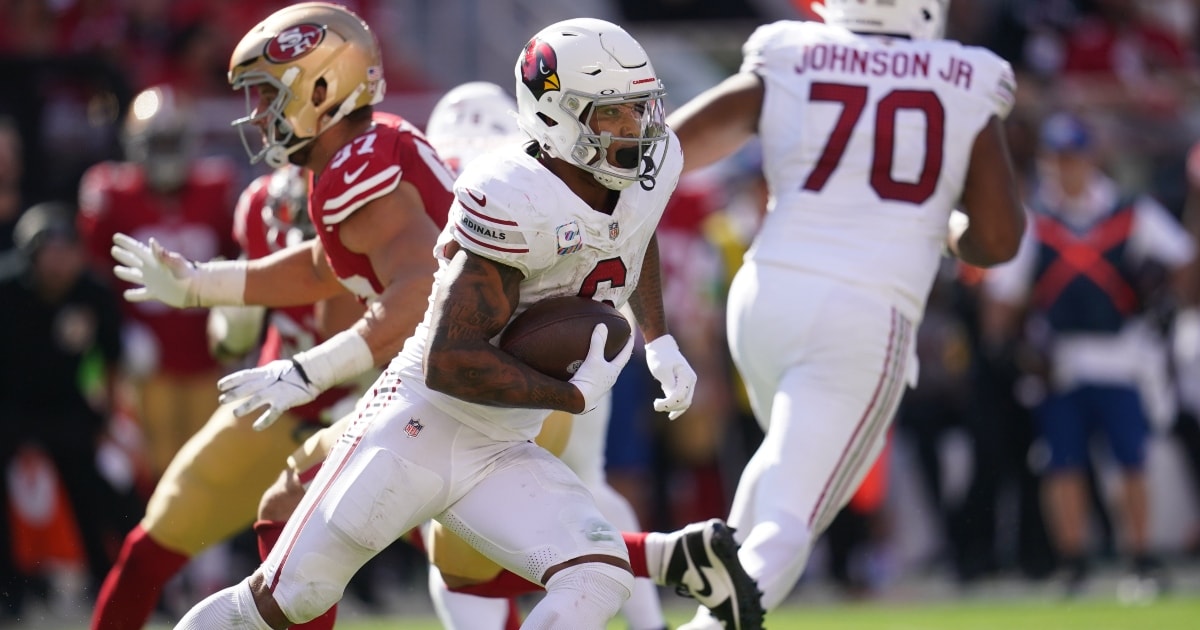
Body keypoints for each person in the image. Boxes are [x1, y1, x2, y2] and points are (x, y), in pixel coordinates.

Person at [153, 15, 761, 630]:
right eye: (612, 114)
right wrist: (568, 394)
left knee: (599, 575)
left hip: (503, 442)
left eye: (639, 109)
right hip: (420, 425)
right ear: (556, 114)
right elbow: (450, 362)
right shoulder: (510, 195)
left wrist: (658, 340)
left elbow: (635, 227)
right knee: (280, 602)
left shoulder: (642, 167)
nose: (635, 130)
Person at [663, 0, 1027, 625]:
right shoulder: (963, 74)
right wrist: (939, 228)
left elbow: (667, 152)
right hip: (865, 310)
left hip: (764, 298)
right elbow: (998, 239)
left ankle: (705, 600)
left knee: (780, 468)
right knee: (792, 520)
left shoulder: (791, 52)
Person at [418, 80, 668, 630]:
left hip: (518, 365)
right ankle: (653, 613)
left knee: (457, 544)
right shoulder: (555, 164)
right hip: (592, 339)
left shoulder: (477, 184)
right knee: (588, 487)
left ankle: (666, 563)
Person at [90, 165, 367, 630]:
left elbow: (408, 318)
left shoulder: (386, 215)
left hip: (379, 415)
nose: (297, 243)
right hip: (277, 408)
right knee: (148, 550)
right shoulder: (260, 205)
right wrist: (232, 323)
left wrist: (366, 390)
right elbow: (230, 342)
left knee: (460, 570)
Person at [982, 112, 1195, 597]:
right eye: (1057, 159)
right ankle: (1072, 560)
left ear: (1090, 159)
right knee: (1063, 465)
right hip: (1060, 362)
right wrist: (1010, 346)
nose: (1065, 169)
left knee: (1130, 462)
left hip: (1122, 355)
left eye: (1072, 158)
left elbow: (1183, 257)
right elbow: (1004, 293)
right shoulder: (1035, 220)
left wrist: (1165, 302)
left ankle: (1140, 556)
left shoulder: (1128, 211)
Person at [77, 84, 240, 481]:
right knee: (151, 464)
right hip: (145, 358)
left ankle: (207, 543)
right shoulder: (112, 192)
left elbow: (238, 264)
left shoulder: (216, 188)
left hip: (205, 352)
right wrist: (119, 333)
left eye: (173, 142)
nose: (166, 153)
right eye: (158, 142)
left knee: (207, 459)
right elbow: (94, 276)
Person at [0, 203, 143, 616]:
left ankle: (113, 584)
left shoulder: (93, 293)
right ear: (30, 254)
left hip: (68, 406)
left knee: (100, 491)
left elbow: (113, 358)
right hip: (8, 405)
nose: (61, 262)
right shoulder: (6, 290)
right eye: (51, 251)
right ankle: (12, 593)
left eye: (68, 250)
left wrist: (106, 417)